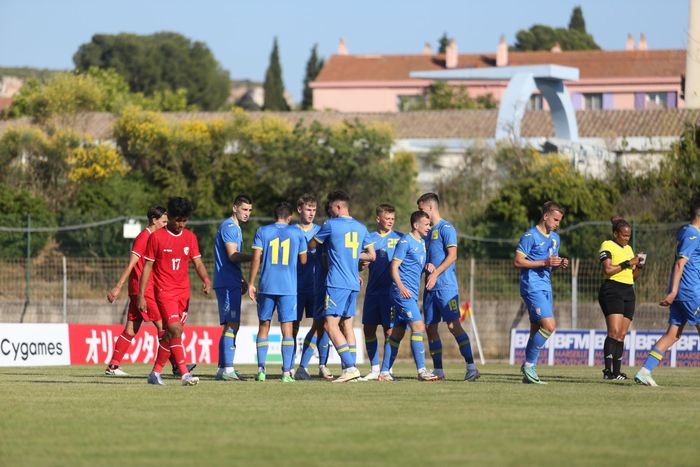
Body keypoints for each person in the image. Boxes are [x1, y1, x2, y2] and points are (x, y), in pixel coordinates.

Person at [139, 197, 211, 386]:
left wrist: (205, 279)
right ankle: (184, 373)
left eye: (184, 220)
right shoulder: (156, 238)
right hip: (164, 292)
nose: (180, 224)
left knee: (171, 335)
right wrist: (141, 295)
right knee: (175, 329)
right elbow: (147, 267)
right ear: (169, 217)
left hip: (183, 294)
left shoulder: (190, 238)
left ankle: (155, 373)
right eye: (177, 219)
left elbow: (198, 263)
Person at [635, 201, 700, 386]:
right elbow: (680, 264)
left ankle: (644, 371)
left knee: (673, 335)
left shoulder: (687, 231)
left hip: (683, 291)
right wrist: (673, 291)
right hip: (689, 291)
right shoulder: (693, 235)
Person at [313, 190, 376, 383]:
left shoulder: (330, 225)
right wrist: (352, 256)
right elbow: (371, 256)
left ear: (338, 207)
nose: (329, 211)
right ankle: (351, 370)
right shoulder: (361, 227)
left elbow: (311, 245)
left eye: (331, 207)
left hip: (336, 283)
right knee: (347, 326)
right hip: (353, 283)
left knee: (329, 325)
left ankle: (350, 367)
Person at [417, 193, 480, 381]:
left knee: (453, 325)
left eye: (421, 209)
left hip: (445, 286)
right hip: (430, 287)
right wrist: (426, 268)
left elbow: (452, 255)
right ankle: (438, 370)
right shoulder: (426, 233)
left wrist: (436, 273)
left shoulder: (446, 228)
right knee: (430, 327)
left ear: (430, 208)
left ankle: (471, 367)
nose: (420, 213)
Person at [105, 206, 169, 376]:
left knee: (131, 329)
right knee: (164, 326)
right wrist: (118, 286)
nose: (166, 225)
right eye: (164, 221)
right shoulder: (143, 237)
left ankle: (113, 366)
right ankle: (177, 365)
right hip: (143, 290)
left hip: (141, 289)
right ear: (154, 221)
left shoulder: (155, 238)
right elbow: (131, 264)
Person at [247, 202, 307, 383]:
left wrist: (251, 282)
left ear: (275, 217)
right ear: (290, 218)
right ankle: (286, 372)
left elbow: (256, 257)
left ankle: (261, 370)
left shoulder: (262, 231)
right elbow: (303, 260)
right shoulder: (297, 232)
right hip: (288, 288)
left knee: (263, 326)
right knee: (287, 329)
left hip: (266, 286)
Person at [378, 210, 439, 381]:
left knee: (397, 333)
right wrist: (401, 287)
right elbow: (394, 267)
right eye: (426, 224)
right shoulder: (405, 241)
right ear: (415, 225)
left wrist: (428, 265)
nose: (429, 227)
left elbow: (415, 263)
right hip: (401, 293)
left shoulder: (422, 243)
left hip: (410, 294)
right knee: (418, 327)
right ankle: (421, 371)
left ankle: (384, 372)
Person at [514, 201, 569, 384]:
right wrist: (544, 263)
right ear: (545, 216)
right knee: (549, 326)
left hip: (546, 286)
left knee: (536, 328)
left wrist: (559, 264)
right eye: (555, 219)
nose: (557, 224)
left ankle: (529, 369)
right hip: (532, 286)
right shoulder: (530, 236)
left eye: (559, 221)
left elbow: (549, 263)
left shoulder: (555, 238)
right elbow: (518, 261)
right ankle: (529, 365)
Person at [598, 217, 645, 380]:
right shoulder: (607, 245)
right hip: (612, 289)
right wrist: (627, 263)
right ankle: (607, 372)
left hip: (628, 291)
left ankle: (617, 373)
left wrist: (638, 266)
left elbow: (633, 276)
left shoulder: (629, 249)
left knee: (622, 334)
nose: (627, 239)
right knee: (614, 332)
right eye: (624, 235)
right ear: (615, 233)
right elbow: (608, 270)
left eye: (629, 236)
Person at [360, 204, 402, 380]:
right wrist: (358, 270)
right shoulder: (368, 238)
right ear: (378, 219)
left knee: (389, 331)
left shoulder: (400, 238)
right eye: (387, 218)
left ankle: (388, 368)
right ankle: (375, 368)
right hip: (372, 292)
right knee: (368, 329)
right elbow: (361, 262)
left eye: (393, 219)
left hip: (391, 293)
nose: (391, 221)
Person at [213, 195, 253, 381]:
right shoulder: (229, 227)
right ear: (234, 208)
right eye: (244, 209)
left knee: (230, 324)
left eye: (250, 210)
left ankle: (223, 368)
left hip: (231, 280)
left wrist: (242, 278)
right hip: (227, 283)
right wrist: (255, 257)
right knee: (232, 324)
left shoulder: (235, 227)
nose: (247, 214)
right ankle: (228, 368)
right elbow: (232, 256)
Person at [295, 195, 334, 381]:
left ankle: (321, 366)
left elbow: (332, 256)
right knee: (292, 328)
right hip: (293, 287)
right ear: (299, 210)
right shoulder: (290, 231)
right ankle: (289, 367)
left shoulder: (321, 231)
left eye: (313, 210)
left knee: (322, 325)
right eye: (308, 209)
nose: (311, 213)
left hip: (317, 286)